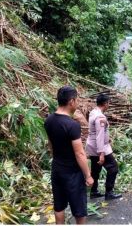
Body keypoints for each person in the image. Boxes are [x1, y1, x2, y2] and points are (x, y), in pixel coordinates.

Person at [44, 86, 94, 225]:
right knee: (79, 208)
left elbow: (51, 146)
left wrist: (58, 160)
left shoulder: (49, 120)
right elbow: (79, 153)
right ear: (71, 101)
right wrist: (88, 175)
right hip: (72, 173)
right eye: (76, 100)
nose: (77, 103)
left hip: (57, 169)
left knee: (59, 206)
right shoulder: (72, 125)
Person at [86, 94, 122, 200]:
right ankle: (109, 192)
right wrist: (101, 153)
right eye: (108, 103)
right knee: (113, 168)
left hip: (92, 145)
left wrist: (107, 138)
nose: (109, 105)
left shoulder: (93, 112)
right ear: (105, 103)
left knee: (96, 169)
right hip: (99, 147)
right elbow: (99, 135)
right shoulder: (100, 117)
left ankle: (94, 191)